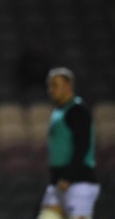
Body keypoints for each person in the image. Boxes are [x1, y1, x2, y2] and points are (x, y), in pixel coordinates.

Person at [37, 67, 100, 219]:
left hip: (78, 183)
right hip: (59, 183)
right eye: (49, 86)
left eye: (56, 85)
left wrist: (68, 177)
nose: (51, 90)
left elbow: (82, 146)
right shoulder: (59, 111)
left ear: (68, 86)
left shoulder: (77, 111)